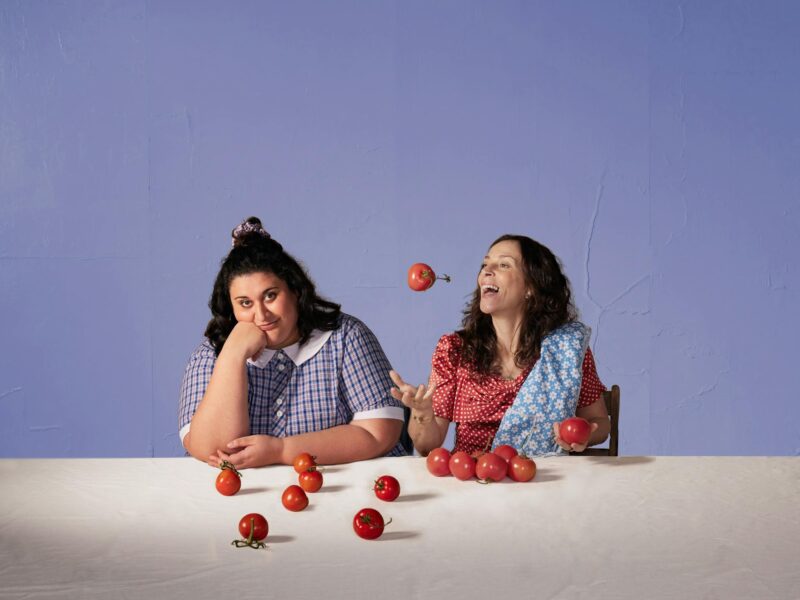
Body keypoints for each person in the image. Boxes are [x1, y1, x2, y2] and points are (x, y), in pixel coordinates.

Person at [179, 217, 406, 468]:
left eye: (270, 295)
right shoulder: (210, 355)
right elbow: (215, 451)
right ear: (231, 308)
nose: (261, 315)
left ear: (295, 290)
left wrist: (281, 450)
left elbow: (380, 433)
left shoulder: (346, 336)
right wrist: (233, 355)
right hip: (248, 497)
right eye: (245, 303)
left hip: (344, 492)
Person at [390, 234, 610, 456]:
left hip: (542, 479)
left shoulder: (564, 350)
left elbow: (599, 421)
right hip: (475, 480)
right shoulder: (454, 350)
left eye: (504, 264)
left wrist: (586, 434)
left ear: (531, 287)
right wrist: (422, 414)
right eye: (485, 264)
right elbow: (427, 446)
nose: (486, 270)